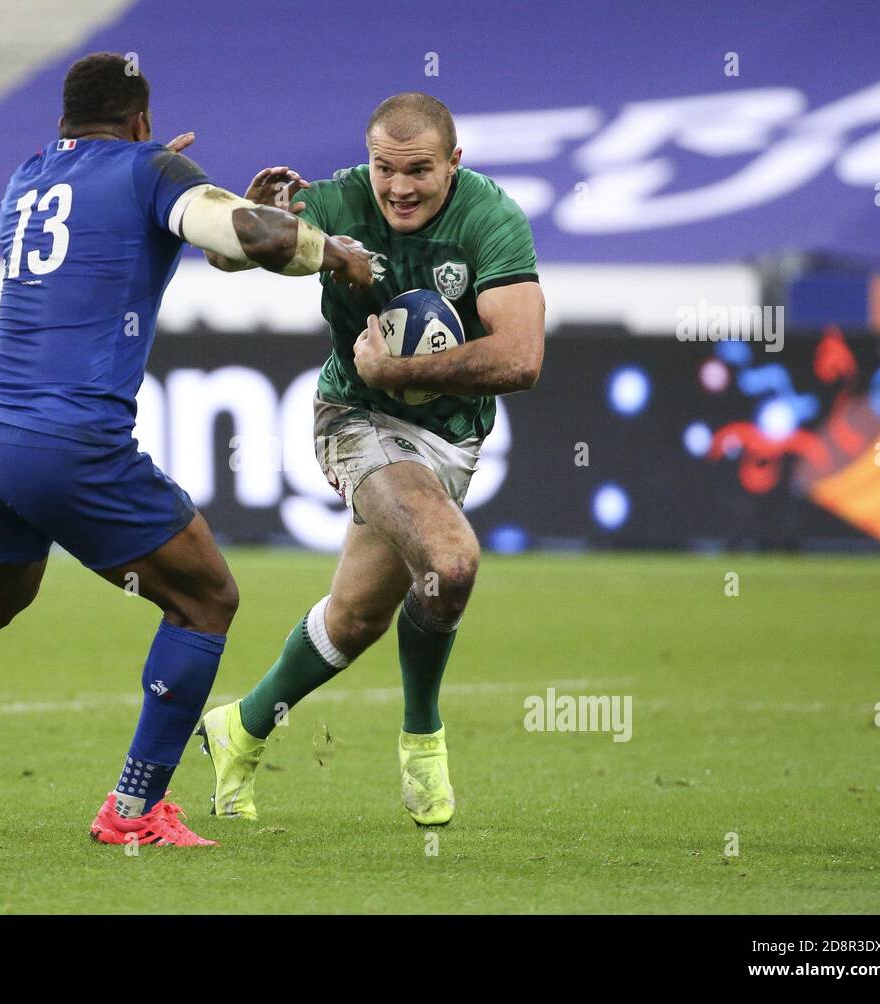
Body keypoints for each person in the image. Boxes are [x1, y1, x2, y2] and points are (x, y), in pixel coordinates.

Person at [0, 52, 372, 848]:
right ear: (140, 122)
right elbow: (250, 233)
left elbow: (216, 236)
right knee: (206, 600)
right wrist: (333, 251)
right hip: (72, 443)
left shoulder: (27, 181)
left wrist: (189, 187)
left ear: (65, 121)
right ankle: (132, 811)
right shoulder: (150, 171)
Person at [199, 92, 544, 826]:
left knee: (356, 618)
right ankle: (423, 737)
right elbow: (226, 258)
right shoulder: (338, 201)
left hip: (448, 437)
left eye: (419, 170)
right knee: (450, 562)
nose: (399, 188)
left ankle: (239, 728)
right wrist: (246, 229)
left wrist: (403, 373)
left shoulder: (491, 220)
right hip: (354, 419)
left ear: (455, 162)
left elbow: (522, 357)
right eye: (386, 168)